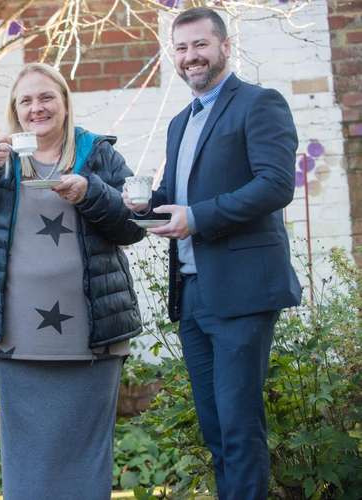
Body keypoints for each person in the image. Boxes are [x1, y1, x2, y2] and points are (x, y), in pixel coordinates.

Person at [0, 62, 145, 500]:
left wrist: (90, 193)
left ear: (65, 102)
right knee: (27, 453)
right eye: (27, 100)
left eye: (47, 97)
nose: (38, 108)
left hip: (93, 335)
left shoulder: (99, 154)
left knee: (87, 450)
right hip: (16, 336)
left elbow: (133, 225)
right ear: (15, 110)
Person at [123, 7, 301, 499]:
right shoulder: (181, 123)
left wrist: (198, 218)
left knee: (241, 428)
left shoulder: (260, 104)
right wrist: (144, 205)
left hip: (242, 293)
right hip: (193, 294)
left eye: (200, 45)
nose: (190, 57)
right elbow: (173, 196)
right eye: (180, 48)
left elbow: (275, 184)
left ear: (225, 46)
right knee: (217, 431)